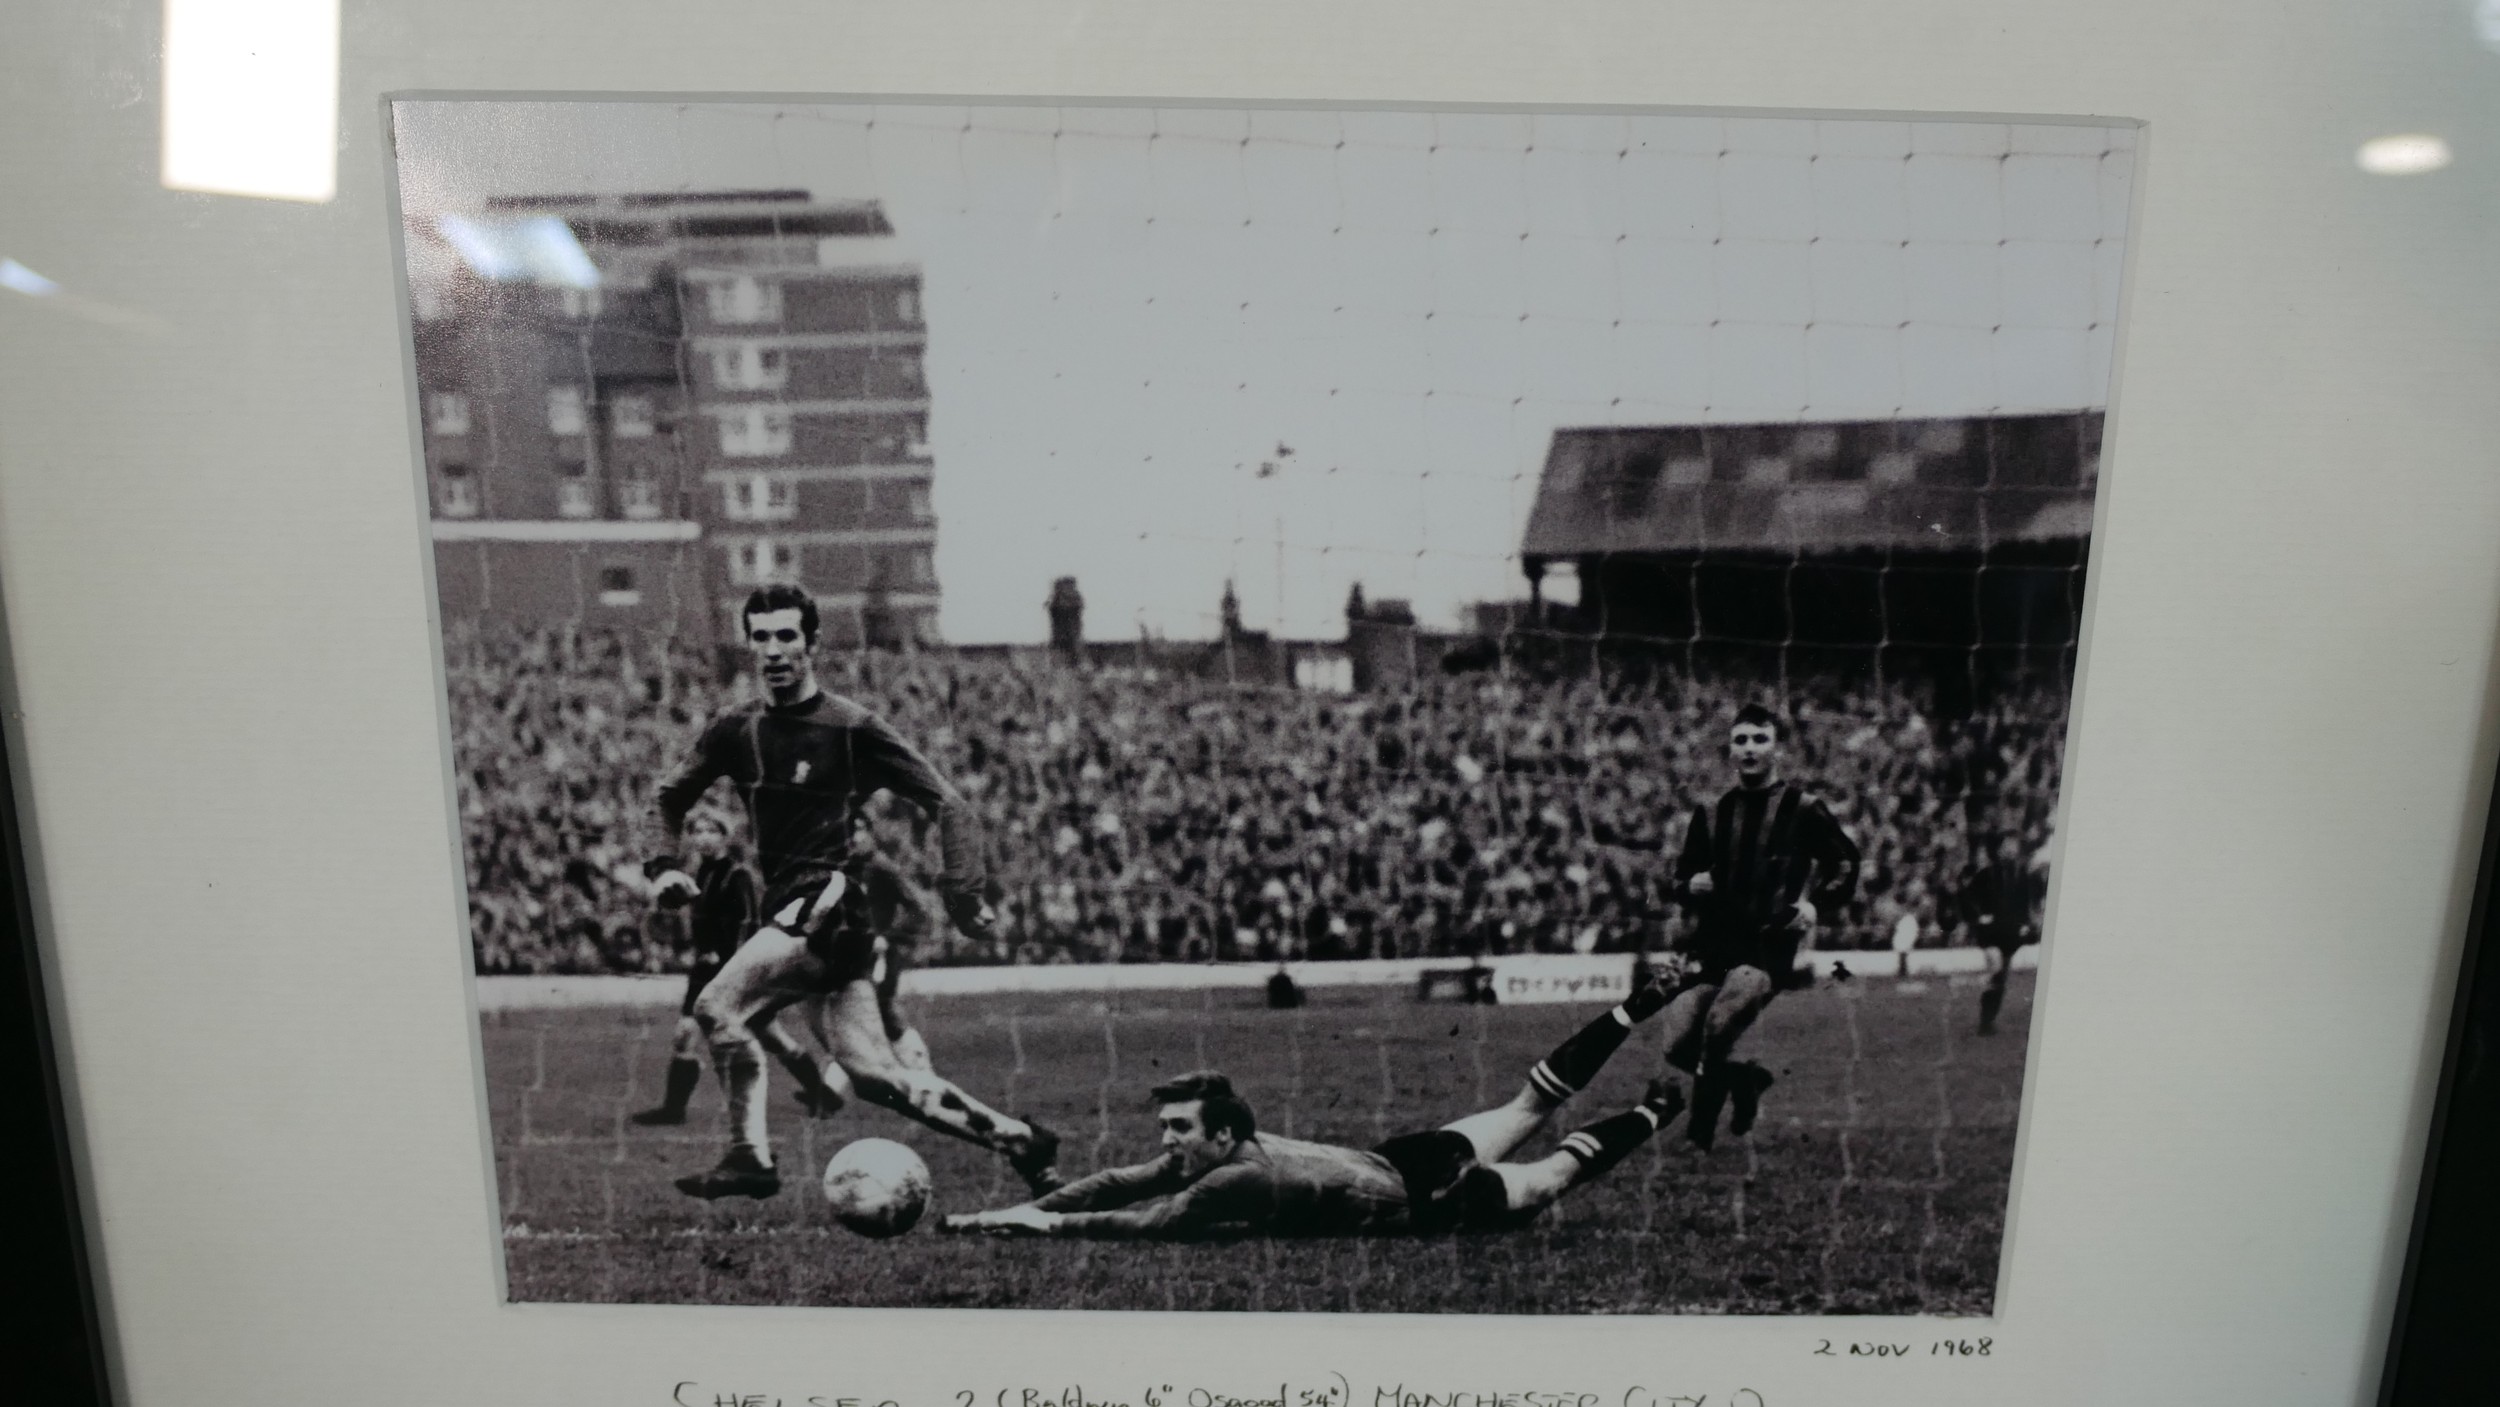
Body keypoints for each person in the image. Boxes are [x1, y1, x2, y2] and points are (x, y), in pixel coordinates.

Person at [643, 584, 1062, 1200]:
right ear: (748, 645)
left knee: (716, 1006)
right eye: (761, 637)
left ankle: (748, 1158)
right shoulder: (734, 729)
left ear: (812, 643)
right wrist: (663, 867)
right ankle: (1021, 1140)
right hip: (794, 908)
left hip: (828, 900)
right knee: (873, 1076)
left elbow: (947, 800)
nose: (775, 650)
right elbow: (667, 797)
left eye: (787, 635)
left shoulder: (853, 726)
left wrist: (963, 891)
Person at [937, 975, 1682, 1239]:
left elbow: (1144, 1222)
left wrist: (1039, 1224)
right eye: (1167, 1125)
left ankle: (1654, 1111)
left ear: (1223, 1133)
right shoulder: (1218, 1150)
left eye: (1178, 1127)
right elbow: (1115, 1184)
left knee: (1548, 1174)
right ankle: (1632, 1022)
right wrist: (1012, 1209)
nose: (1166, 1139)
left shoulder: (1237, 1178)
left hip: (1431, 1194)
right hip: (1397, 1156)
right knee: (1529, 1101)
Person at [1657, 704, 1861, 1149]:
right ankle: (1746, 1080)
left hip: (1769, 941)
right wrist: (1690, 884)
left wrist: (1814, 904)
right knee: (1676, 1046)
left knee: (1718, 1024)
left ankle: (1699, 1133)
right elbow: (1678, 880)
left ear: (1777, 749)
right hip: (1713, 942)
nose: (1749, 749)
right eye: (1741, 740)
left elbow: (1846, 862)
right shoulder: (1710, 813)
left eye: (1760, 739)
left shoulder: (1804, 808)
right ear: (1730, 749)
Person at [1959, 831, 2047, 1035]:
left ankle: (1987, 1021)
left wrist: (2028, 924)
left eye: (2014, 845)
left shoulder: (2022, 875)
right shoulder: (1987, 874)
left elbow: (2027, 904)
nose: (2010, 849)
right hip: (1990, 932)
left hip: (2010, 933)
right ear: (1998, 850)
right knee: (1996, 967)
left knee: (2001, 978)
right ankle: (1986, 1016)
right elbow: (1966, 898)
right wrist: (1978, 918)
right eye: (2007, 845)